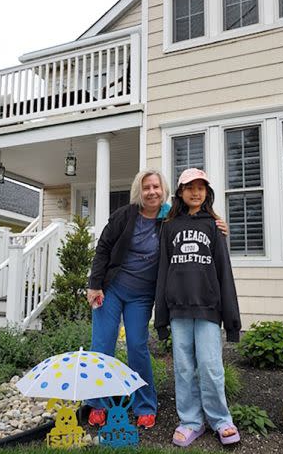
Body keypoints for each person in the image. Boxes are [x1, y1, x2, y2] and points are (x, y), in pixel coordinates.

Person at [85, 169, 228, 430]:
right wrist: (95, 285)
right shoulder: (124, 215)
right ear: (139, 191)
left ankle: (145, 405)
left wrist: (218, 223)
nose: (151, 192)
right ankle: (97, 404)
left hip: (142, 295)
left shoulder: (170, 218)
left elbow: (197, 220)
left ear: (164, 191)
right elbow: (103, 247)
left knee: (137, 347)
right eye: (146, 187)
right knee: (101, 346)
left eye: (156, 187)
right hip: (112, 289)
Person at [154, 168, 242, 446]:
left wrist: (231, 320)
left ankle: (221, 420)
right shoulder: (169, 227)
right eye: (189, 187)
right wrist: (161, 317)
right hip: (178, 309)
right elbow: (162, 271)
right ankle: (191, 421)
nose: (195, 192)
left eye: (201, 187)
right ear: (180, 192)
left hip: (208, 309)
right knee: (182, 367)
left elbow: (224, 272)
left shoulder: (215, 227)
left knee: (210, 366)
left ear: (207, 192)